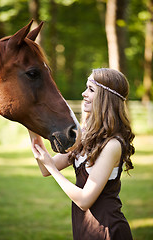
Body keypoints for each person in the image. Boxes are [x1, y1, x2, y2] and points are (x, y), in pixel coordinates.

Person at [28, 68, 135, 240]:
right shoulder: (84, 135)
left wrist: (51, 168)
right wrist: (30, 123)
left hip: (108, 230)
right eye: (86, 88)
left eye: (91, 90)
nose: (84, 94)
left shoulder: (112, 145)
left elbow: (85, 200)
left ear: (105, 98)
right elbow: (45, 169)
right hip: (84, 229)